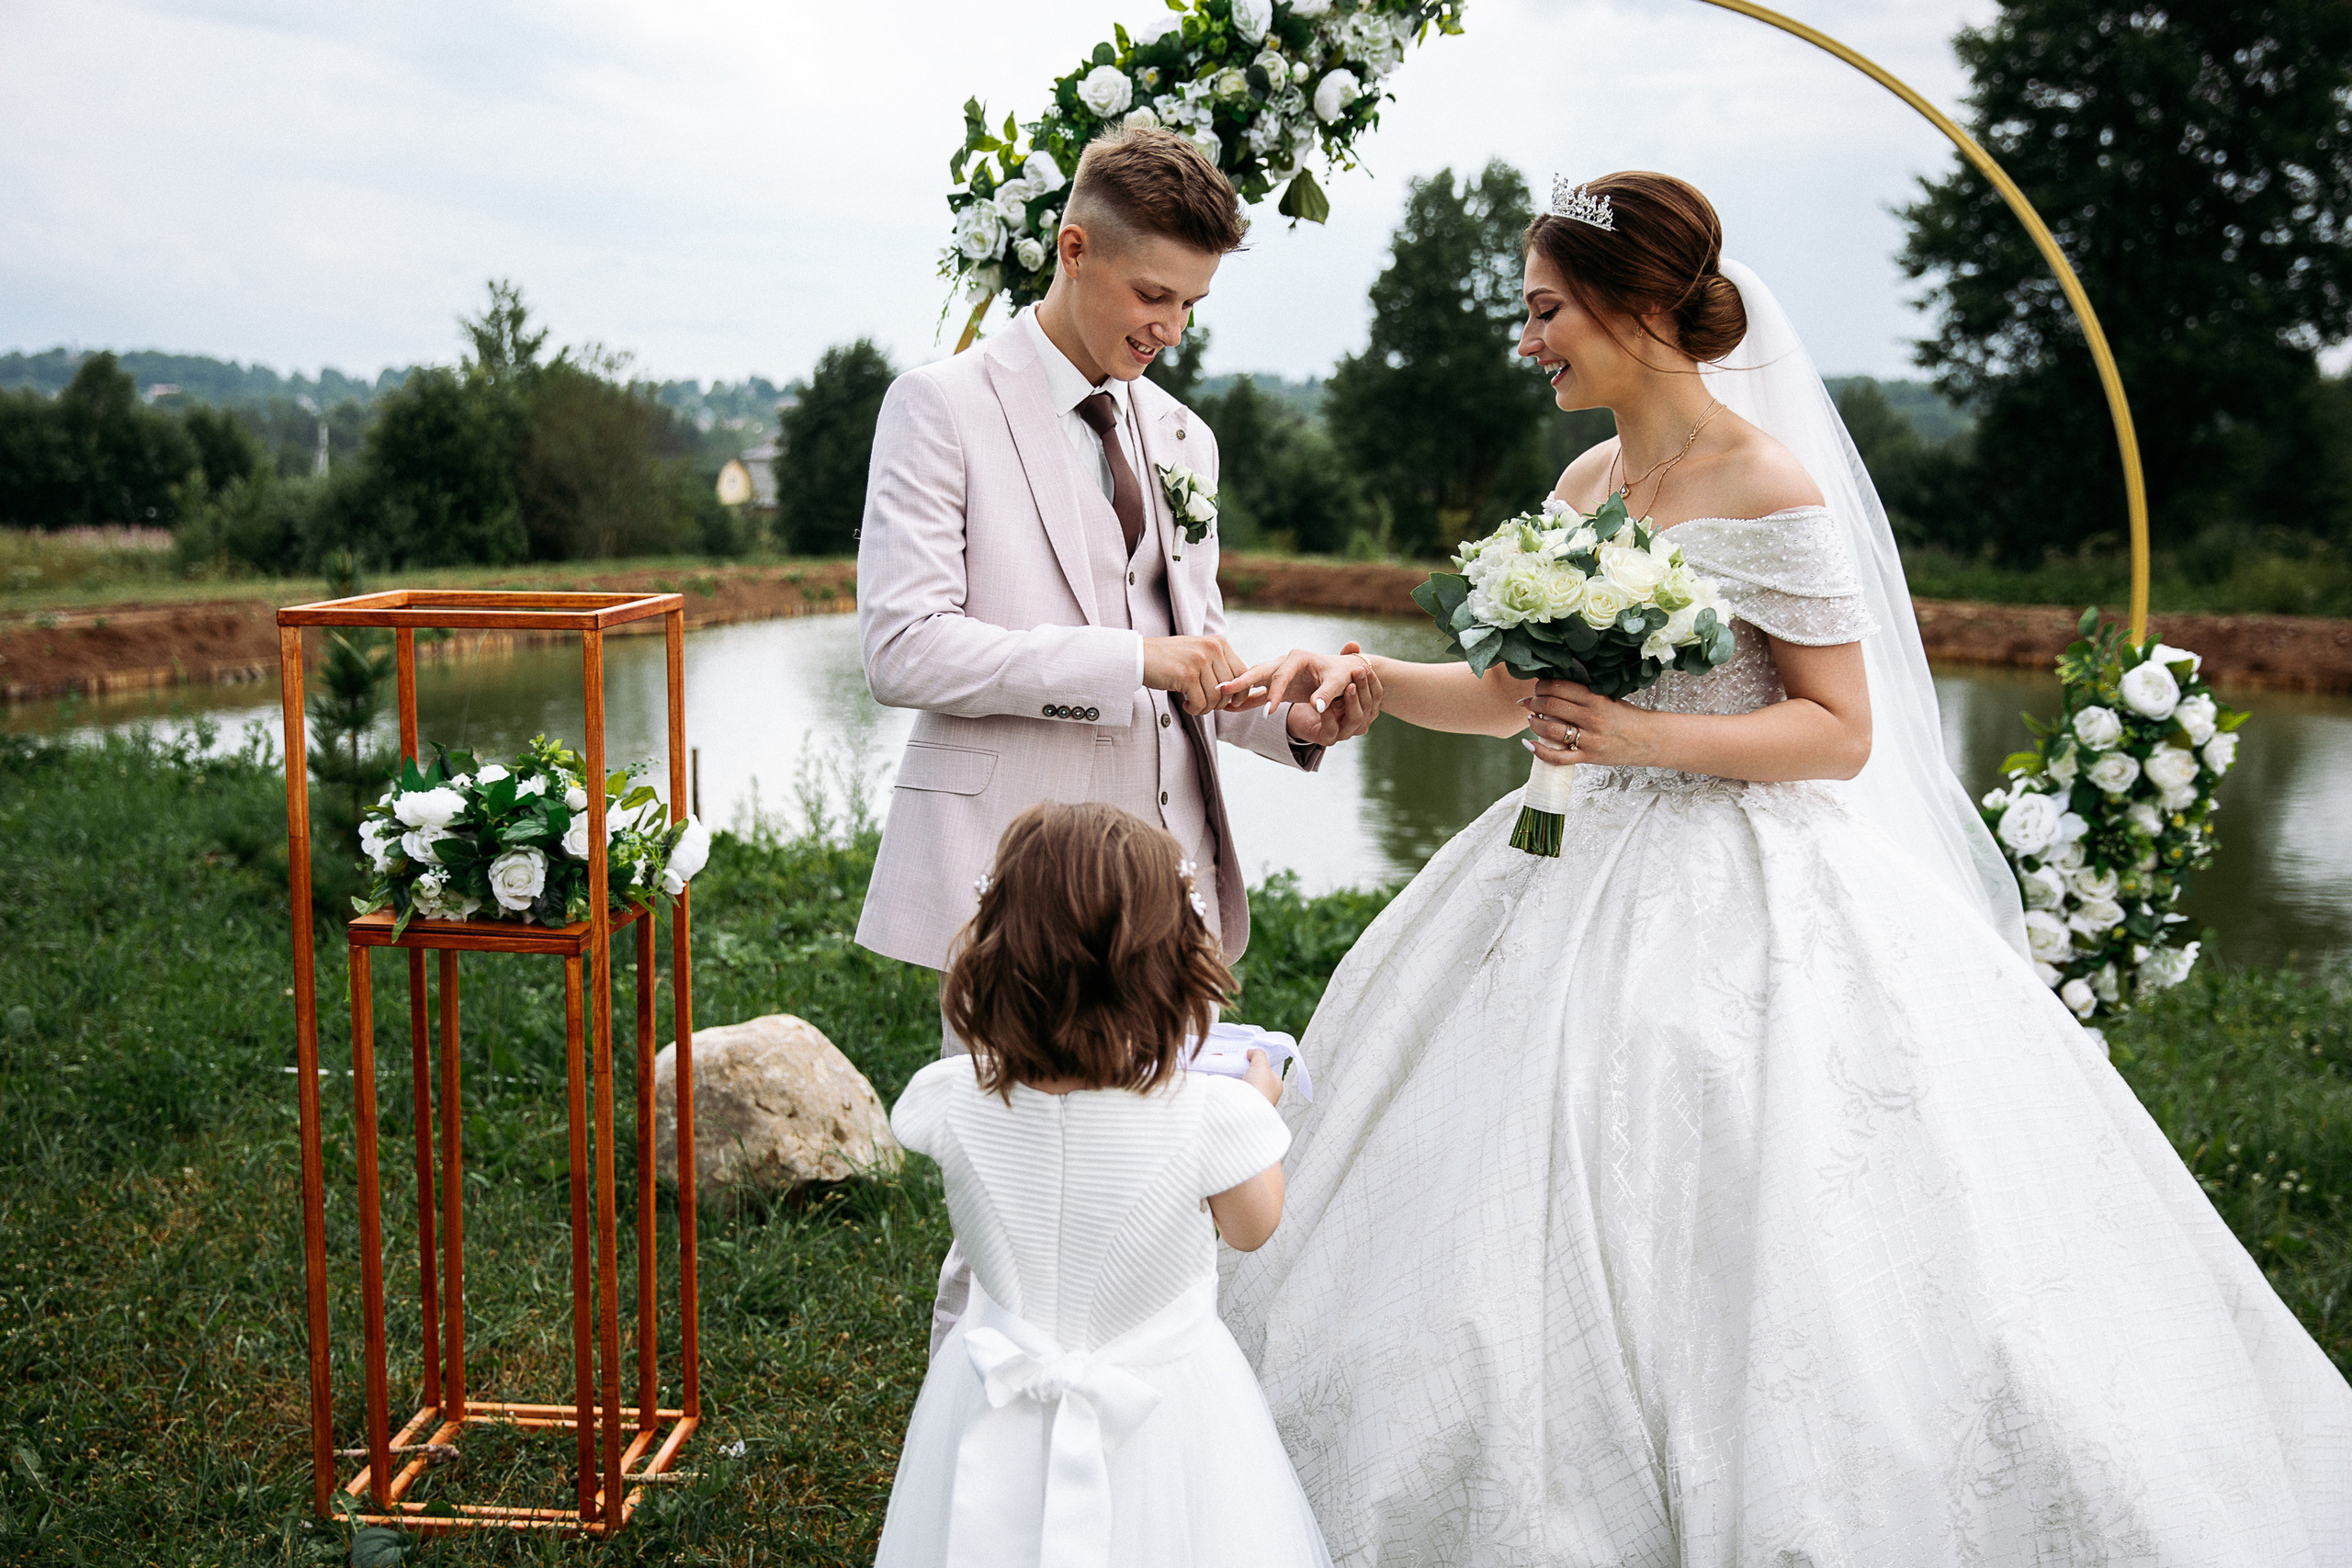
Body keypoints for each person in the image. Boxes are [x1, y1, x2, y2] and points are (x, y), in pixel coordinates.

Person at [1216, 172, 2352, 1562]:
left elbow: (1837, 732)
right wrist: (1371, 678)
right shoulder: (1584, 485)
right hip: (1557, 861)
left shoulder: (1767, 482)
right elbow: (1516, 690)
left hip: (1741, 878)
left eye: (1546, 310)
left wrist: (1637, 729)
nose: (1528, 341)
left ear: (1638, 306)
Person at [854, 125, 1380, 1352]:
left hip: (1172, 891)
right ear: (1072, 248)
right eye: (1153, 294)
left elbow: (1186, 645)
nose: (1171, 328)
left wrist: (1286, 716)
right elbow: (905, 644)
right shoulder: (940, 407)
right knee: (1011, 1222)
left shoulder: (1183, 435)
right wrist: (1129, 662)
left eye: (1193, 302)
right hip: (1017, 885)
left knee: (1162, 1207)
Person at [876, 802, 1331, 1568]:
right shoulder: (1211, 1113)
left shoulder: (950, 1096)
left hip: (993, 1390)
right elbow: (1253, 1225)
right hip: (1166, 1410)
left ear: (997, 949)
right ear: (1170, 964)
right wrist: (1255, 1111)